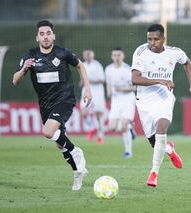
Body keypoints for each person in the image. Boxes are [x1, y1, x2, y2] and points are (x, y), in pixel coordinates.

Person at [12, 20, 92, 191]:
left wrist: (87, 88)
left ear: (53, 36)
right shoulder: (30, 56)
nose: (45, 37)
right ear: (37, 37)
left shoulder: (62, 53)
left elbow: (80, 65)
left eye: (48, 33)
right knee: (59, 142)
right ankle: (78, 172)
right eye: (42, 34)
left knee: (48, 132)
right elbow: (15, 81)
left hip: (65, 100)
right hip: (45, 105)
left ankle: (76, 152)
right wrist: (23, 69)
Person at [131, 24, 191, 187]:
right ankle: (169, 149)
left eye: (156, 39)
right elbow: (135, 79)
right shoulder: (141, 52)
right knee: (155, 143)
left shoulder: (174, 52)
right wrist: (161, 80)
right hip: (144, 101)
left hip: (164, 98)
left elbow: (187, 62)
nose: (152, 42)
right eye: (149, 39)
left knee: (161, 129)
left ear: (163, 39)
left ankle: (153, 174)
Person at [105, 47, 136, 159]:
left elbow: (135, 87)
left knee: (123, 127)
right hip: (116, 101)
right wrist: (108, 92)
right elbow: (108, 82)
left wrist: (122, 89)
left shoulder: (128, 69)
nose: (117, 57)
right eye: (114, 55)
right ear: (112, 56)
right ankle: (130, 127)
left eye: (119, 55)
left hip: (128, 100)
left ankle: (128, 151)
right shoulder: (108, 69)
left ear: (123, 56)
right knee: (112, 127)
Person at [80, 49, 106, 144]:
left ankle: (100, 135)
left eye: (89, 54)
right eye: (86, 54)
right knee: (83, 111)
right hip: (86, 89)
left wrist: (89, 80)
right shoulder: (82, 64)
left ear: (92, 55)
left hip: (97, 91)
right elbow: (82, 79)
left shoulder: (97, 65)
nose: (87, 56)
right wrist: (83, 82)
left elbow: (102, 80)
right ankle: (92, 128)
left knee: (98, 114)